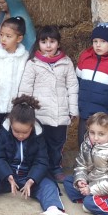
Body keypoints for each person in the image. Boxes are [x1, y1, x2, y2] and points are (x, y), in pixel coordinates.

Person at [18, 25, 79, 182]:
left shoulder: (66, 62)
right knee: (39, 142)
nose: (48, 45)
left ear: (58, 43)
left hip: (60, 113)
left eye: (52, 41)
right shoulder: (33, 63)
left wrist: (73, 109)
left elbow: (72, 87)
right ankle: (38, 168)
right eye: (44, 42)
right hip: (39, 113)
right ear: (38, 43)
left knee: (57, 143)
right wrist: (24, 109)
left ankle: (55, 167)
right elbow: (26, 87)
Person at [0, 16, 29, 152]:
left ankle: (10, 158)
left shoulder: (25, 57)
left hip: (15, 106)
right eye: (1, 35)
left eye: (8, 36)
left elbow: (26, 81)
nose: (3, 39)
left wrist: (24, 102)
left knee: (12, 134)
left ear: (19, 38)